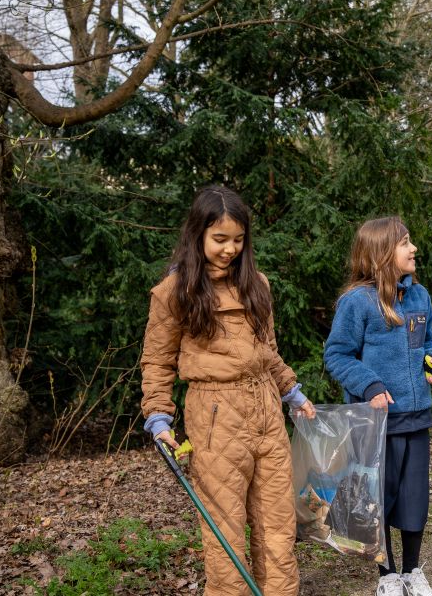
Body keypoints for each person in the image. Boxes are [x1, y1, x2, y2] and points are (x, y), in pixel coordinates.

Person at [141, 185, 316, 595]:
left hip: (267, 412)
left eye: (238, 240)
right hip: (215, 416)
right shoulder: (175, 292)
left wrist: (292, 392)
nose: (230, 249)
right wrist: (158, 417)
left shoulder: (257, 284)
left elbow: (268, 352)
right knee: (225, 531)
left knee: (277, 526)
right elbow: (157, 360)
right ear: (197, 234)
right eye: (220, 239)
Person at [323, 217, 432, 596]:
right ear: (381, 253)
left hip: (416, 417)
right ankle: (387, 576)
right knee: (379, 500)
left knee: (415, 499)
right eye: (405, 243)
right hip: (377, 422)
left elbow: (429, 344)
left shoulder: (420, 296)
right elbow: (337, 355)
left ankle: (412, 571)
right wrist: (370, 384)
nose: (414, 249)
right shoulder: (356, 302)